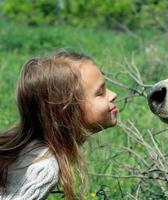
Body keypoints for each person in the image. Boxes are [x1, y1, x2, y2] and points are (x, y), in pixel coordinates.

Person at [0, 51, 118, 200]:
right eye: (100, 93)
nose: (113, 94)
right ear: (68, 111)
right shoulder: (44, 168)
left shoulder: (34, 151)